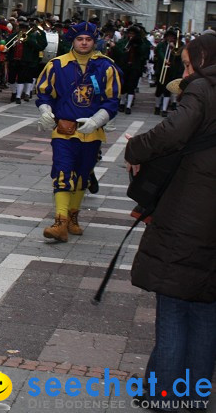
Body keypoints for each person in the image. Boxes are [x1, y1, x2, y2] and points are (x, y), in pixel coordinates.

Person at [125, 32, 216, 412]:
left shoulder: (203, 89)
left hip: (189, 215)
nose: (185, 68)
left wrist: (134, 148)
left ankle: (165, 396)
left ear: (203, 57)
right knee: (207, 309)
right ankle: (194, 398)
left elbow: (173, 132)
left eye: (186, 62)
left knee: (175, 309)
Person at [34, 22, 121, 242]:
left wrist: (97, 120)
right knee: (62, 173)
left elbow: (112, 100)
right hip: (64, 131)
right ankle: (60, 221)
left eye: (88, 39)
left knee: (82, 176)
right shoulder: (57, 65)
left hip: (91, 132)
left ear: (94, 41)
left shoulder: (106, 67)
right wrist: (45, 111)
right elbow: (44, 94)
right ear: (73, 41)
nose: (84, 43)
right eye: (80, 39)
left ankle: (73, 217)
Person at [6, 19, 47, 103]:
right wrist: (14, 42)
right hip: (13, 60)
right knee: (11, 79)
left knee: (22, 78)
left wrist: (28, 40)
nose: (22, 30)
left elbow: (39, 47)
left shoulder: (31, 37)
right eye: (20, 28)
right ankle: (14, 92)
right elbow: (6, 45)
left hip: (24, 61)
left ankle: (18, 97)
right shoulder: (13, 35)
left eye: (24, 28)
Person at [112, 24, 149, 115]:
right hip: (124, 67)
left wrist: (137, 45)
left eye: (133, 34)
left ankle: (128, 106)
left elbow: (144, 53)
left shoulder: (141, 43)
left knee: (131, 86)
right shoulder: (123, 42)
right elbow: (119, 52)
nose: (131, 36)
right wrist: (114, 47)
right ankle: (122, 103)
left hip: (134, 68)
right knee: (123, 86)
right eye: (130, 33)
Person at [153, 28, 182, 117]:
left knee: (167, 90)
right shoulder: (161, 45)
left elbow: (179, 56)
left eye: (172, 37)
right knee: (159, 90)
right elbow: (159, 53)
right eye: (169, 37)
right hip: (161, 70)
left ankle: (164, 109)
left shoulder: (177, 46)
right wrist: (165, 60)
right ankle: (157, 107)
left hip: (171, 71)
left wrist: (173, 49)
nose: (170, 39)